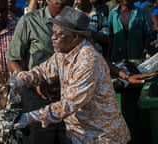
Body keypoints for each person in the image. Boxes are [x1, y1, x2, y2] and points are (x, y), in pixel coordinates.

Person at [12, 6, 131, 143]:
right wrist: (19, 80)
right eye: (53, 33)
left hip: (102, 136)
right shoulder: (63, 53)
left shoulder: (88, 61)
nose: (53, 38)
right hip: (82, 136)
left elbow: (69, 104)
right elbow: (42, 71)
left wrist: (29, 118)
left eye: (59, 34)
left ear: (75, 37)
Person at [6, 0, 74, 143]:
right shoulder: (29, 21)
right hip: (37, 100)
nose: (65, 9)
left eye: (69, 4)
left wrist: (123, 74)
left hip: (69, 99)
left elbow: (91, 54)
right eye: (60, 5)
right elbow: (12, 59)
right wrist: (32, 82)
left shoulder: (75, 21)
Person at [108, 0, 153, 143]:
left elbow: (147, 33)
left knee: (138, 87)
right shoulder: (113, 13)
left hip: (137, 57)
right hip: (119, 59)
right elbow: (110, 37)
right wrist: (109, 59)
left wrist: (145, 50)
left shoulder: (140, 12)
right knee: (123, 90)